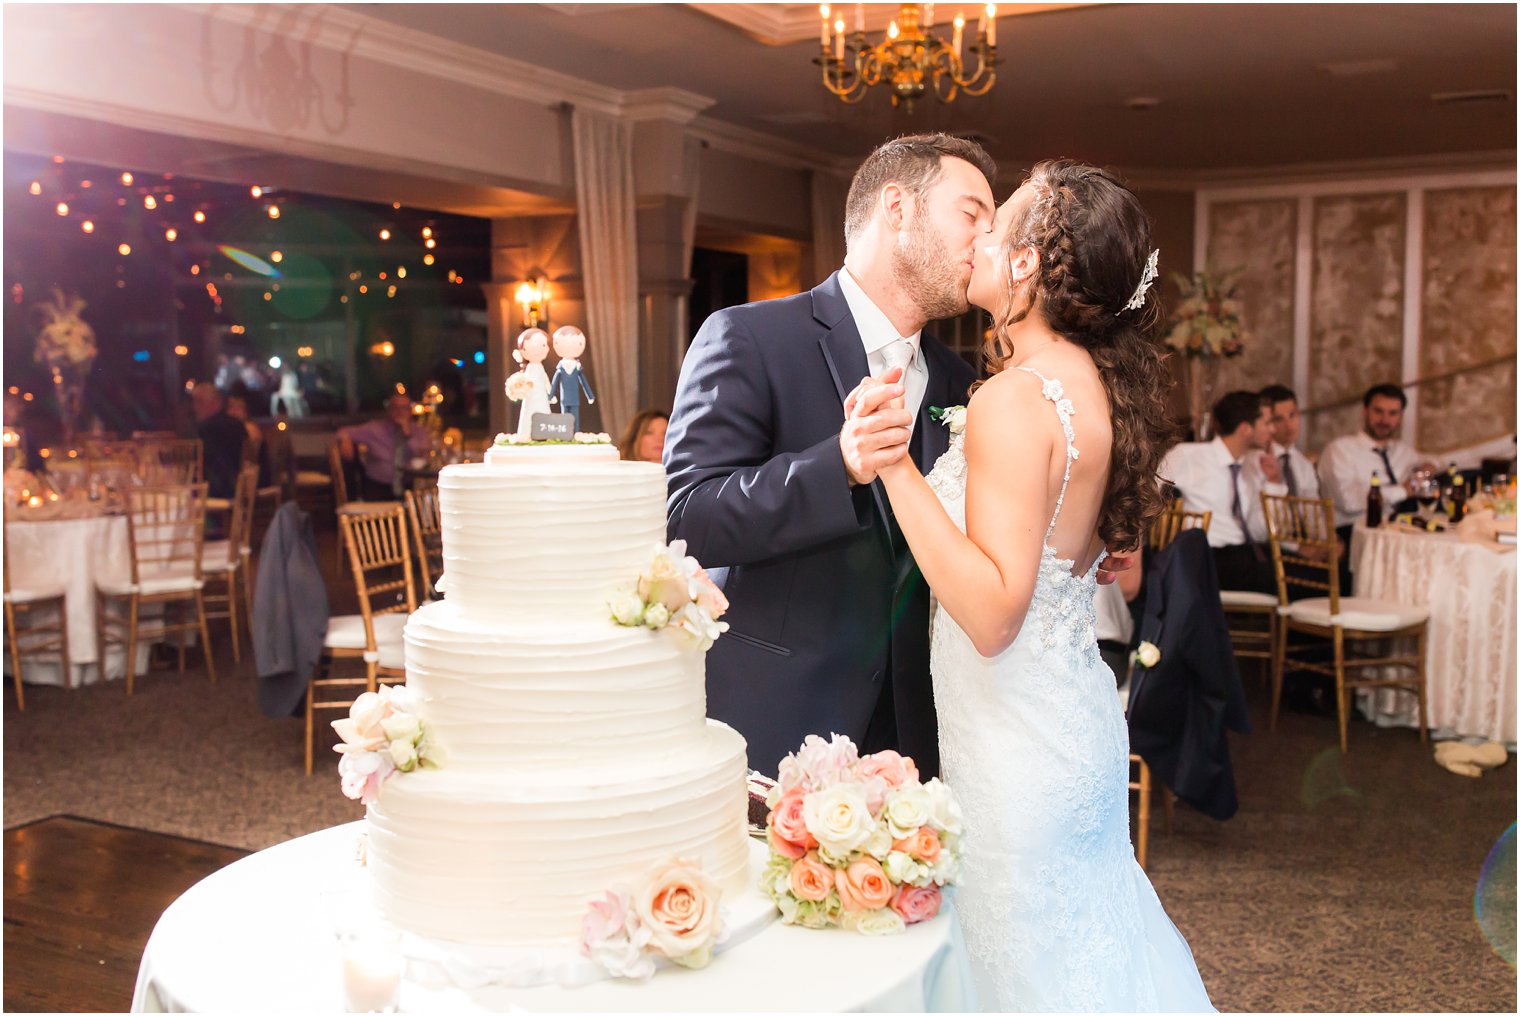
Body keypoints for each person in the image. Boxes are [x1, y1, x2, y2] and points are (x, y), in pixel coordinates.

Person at [848, 159, 1210, 1010]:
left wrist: (895, 468)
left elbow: (993, 613)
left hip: (1017, 742)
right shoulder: (1094, 389)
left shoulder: (1017, 398)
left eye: (994, 221)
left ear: (1026, 266)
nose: (976, 236)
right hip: (1061, 722)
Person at [664, 133, 995, 781]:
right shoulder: (750, 337)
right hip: (775, 720)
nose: (985, 241)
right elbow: (686, 516)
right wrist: (836, 467)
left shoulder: (960, 384)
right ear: (897, 209)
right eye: (971, 215)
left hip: (913, 736)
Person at [1158, 390, 1285, 595]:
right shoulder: (1189, 456)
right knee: (1287, 579)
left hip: (1244, 553)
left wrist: (1274, 483)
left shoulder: (1253, 466)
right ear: (1245, 428)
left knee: (1291, 572)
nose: (1273, 430)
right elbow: (1150, 495)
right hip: (1205, 555)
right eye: (1267, 422)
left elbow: (1261, 531)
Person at [1317, 382, 1436, 532]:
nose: (1385, 420)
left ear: (1400, 417)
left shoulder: (1402, 450)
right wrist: (1403, 490)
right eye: (1378, 411)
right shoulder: (1339, 450)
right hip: (1352, 531)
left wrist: (1428, 468)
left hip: (1396, 529)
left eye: (1392, 413)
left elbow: (1436, 461)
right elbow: (1348, 502)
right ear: (1365, 411)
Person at [337, 393, 433, 501]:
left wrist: (407, 435)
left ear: (410, 410)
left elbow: (423, 454)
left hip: (409, 485)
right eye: (395, 408)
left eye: (404, 408)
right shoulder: (374, 429)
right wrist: (345, 441)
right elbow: (343, 431)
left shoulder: (419, 431)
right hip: (377, 486)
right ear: (389, 410)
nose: (400, 412)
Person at [1259, 383, 1321, 500]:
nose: (1289, 425)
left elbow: (1314, 512)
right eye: (1279, 419)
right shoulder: (1258, 460)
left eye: (1292, 415)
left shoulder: (1304, 465)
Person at [190, 382, 247, 501]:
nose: (195, 408)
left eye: (199, 402)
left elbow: (199, 462)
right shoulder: (238, 425)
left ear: (214, 403)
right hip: (240, 489)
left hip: (221, 492)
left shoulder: (208, 428)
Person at [548, 325, 596, 432]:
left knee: (575, 419)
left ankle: (576, 433)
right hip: (564, 399)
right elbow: (554, 383)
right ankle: (566, 435)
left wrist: (590, 396)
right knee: (565, 419)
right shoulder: (560, 368)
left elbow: (584, 382)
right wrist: (550, 396)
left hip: (575, 399)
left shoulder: (577, 367)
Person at [507, 328, 552, 439]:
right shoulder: (530, 368)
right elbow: (525, 379)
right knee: (529, 412)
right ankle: (526, 432)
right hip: (531, 394)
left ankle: (546, 432)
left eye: (544, 345)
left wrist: (550, 391)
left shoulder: (539, 367)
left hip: (541, 394)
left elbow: (545, 378)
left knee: (543, 409)